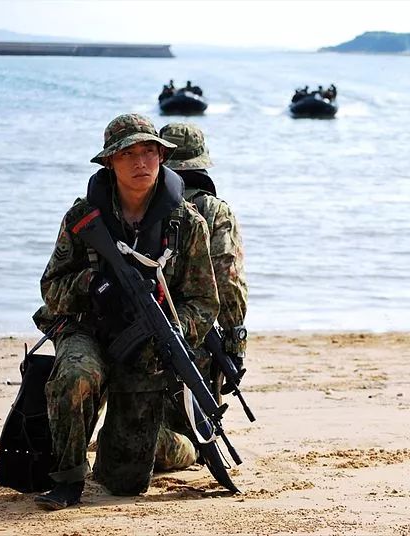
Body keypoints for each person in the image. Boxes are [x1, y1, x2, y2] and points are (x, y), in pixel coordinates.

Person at [32, 113, 219, 509]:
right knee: (76, 375)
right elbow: (51, 289)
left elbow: (204, 303)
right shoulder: (83, 218)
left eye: (149, 152)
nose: (140, 163)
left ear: (162, 157)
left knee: (124, 482)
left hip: (148, 346)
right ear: (109, 162)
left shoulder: (187, 224)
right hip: (88, 330)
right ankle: (67, 479)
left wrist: (171, 330)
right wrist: (93, 285)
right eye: (127, 154)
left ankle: (184, 447)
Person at [153, 122, 248, 472]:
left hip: (140, 334)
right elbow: (228, 281)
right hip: (193, 342)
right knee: (192, 439)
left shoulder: (138, 203)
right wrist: (235, 343)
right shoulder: (214, 210)